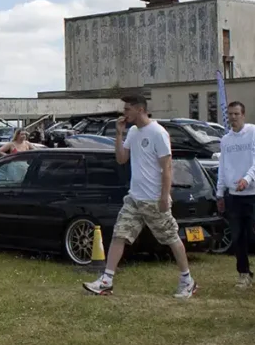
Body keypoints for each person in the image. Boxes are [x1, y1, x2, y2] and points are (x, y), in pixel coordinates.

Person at [83, 95, 197, 298]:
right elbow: (121, 159)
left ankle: (187, 280)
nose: (124, 113)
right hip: (134, 198)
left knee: (170, 237)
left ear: (140, 110)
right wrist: (119, 134)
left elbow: (167, 167)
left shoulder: (158, 133)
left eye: (128, 109)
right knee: (119, 234)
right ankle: (106, 281)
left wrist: (164, 196)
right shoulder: (133, 132)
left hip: (154, 199)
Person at [216, 101, 255, 289]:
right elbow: (223, 166)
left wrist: (247, 179)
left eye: (236, 114)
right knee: (237, 236)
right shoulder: (226, 140)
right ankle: (244, 273)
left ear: (243, 115)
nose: (233, 117)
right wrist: (220, 193)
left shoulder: (253, 133)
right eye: (230, 114)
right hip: (234, 195)